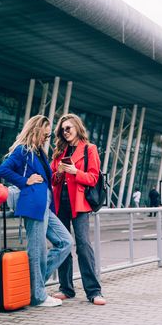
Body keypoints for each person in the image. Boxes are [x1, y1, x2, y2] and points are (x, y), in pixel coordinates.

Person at [0, 115, 73, 307]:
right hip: (33, 205)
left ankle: (33, 284)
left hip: (45, 206)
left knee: (65, 241)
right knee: (37, 250)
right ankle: (37, 295)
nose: (46, 139)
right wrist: (25, 181)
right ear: (36, 130)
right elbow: (3, 170)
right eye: (45, 135)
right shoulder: (23, 150)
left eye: (48, 136)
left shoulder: (40, 152)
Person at [51, 113, 106, 306]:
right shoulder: (59, 151)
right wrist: (58, 173)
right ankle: (66, 288)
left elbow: (93, 178)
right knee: (64, 245)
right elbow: (54, 181)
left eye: (68, 128)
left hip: (80, 205)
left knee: (83, 246)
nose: (65, 132)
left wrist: (76, 172)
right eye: (62, 129)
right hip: (61, 204)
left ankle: (94, 291)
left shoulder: (89, 149)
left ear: (77, 127)